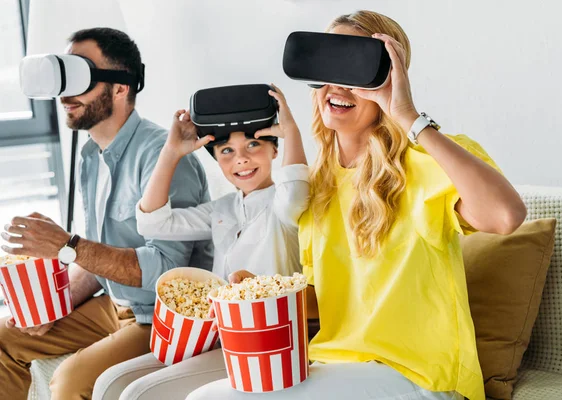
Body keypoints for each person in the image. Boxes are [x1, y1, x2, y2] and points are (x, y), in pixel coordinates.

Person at [186, 10, 527, 400]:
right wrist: (262, 293)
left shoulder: (424, 161)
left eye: (357, 70)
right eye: (328, 66)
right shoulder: (320, 184)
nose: (340, 86)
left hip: (419, 375)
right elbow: (322, 298)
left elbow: (505, 217)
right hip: (338, 366)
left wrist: (409, 116)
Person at [0, 27, 212, 400]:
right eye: (62, 78)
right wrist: (55, 304)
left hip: (163, 317)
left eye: (80, 78)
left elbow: (169, 273)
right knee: (3, 338)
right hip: (114, 305)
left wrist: (69, 245)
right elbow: (100, 257)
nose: (66, 95)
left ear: (120, 88)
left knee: (70, 382)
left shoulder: (163, 158)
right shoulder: (89, 157)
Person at [92, 85, 309, 400]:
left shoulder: (284, 204)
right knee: (108, 383)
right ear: (216, 159)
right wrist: (171, 152)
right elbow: (152, 222)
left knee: (137, 394)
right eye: (227, 151)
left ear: (275, 149)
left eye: (254, 144)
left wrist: (292, 131)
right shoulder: (222, 209)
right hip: (215, 335)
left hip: (260, 342)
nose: (242, 160)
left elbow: (295, 195)